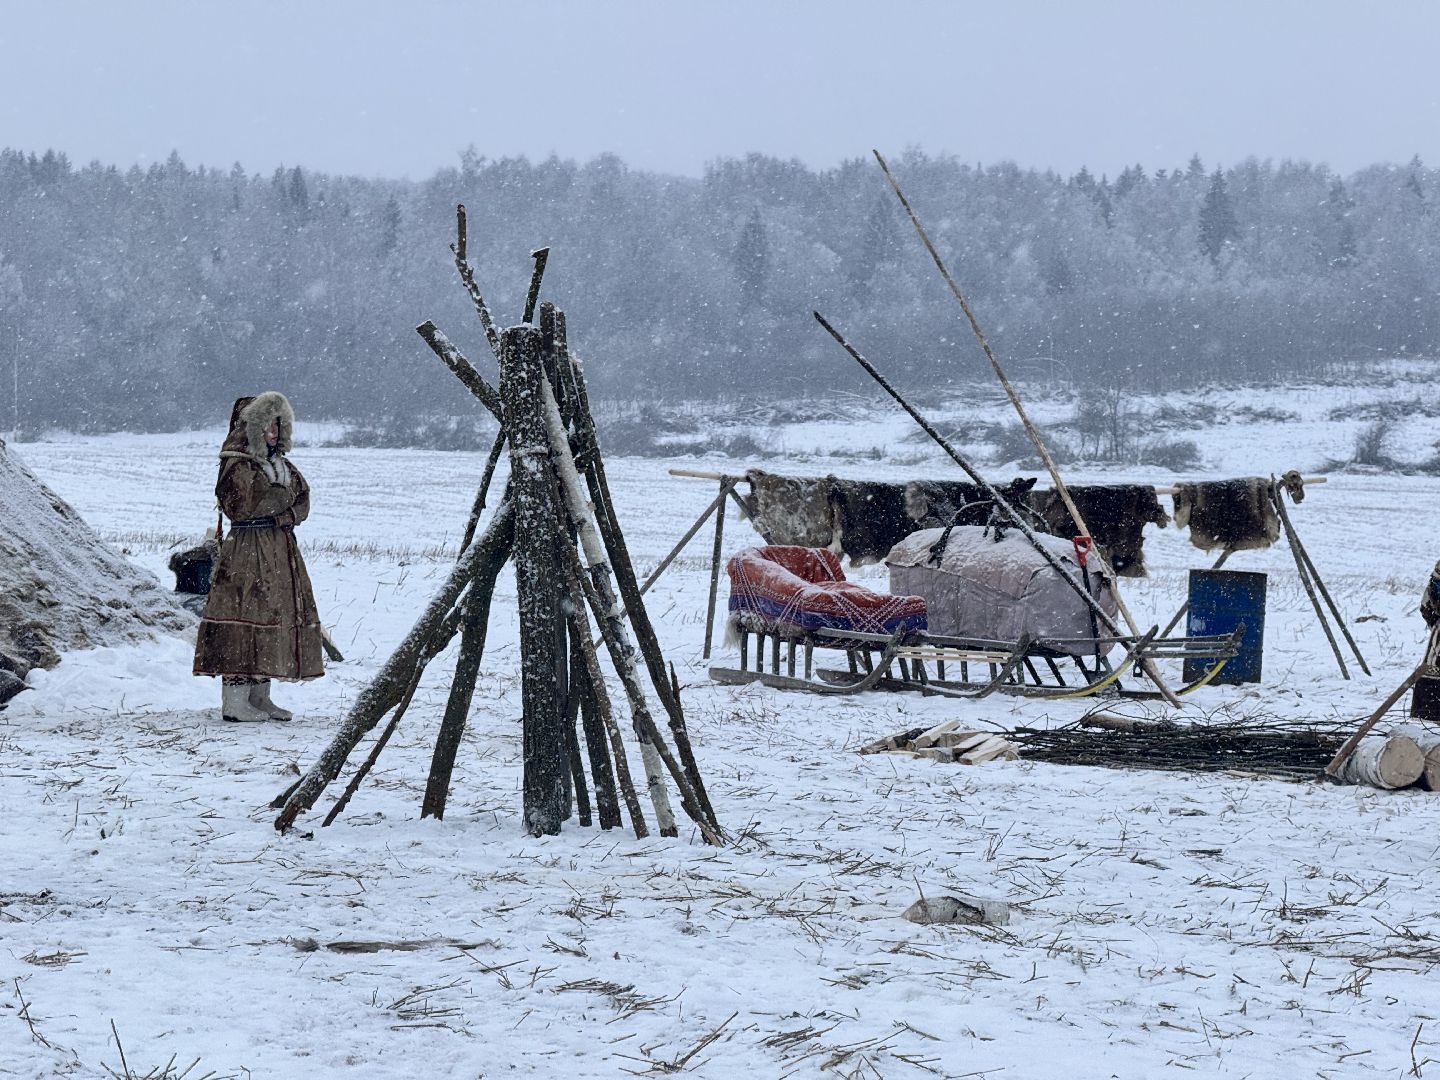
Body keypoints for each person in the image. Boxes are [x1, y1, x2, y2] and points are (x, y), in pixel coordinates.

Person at [193, 392, 324, 721]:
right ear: (252, 427)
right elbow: (248, 503)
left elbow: (303, 500)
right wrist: (282, 501)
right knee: (244, 613)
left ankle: (259, 694)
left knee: (272, 614)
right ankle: (235, 700)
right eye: (267, 424)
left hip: (280, 548)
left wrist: (285, 512)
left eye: (279, 424)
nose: (274, 431)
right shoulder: (237, 464)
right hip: (247, 550)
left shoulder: (280, 464)